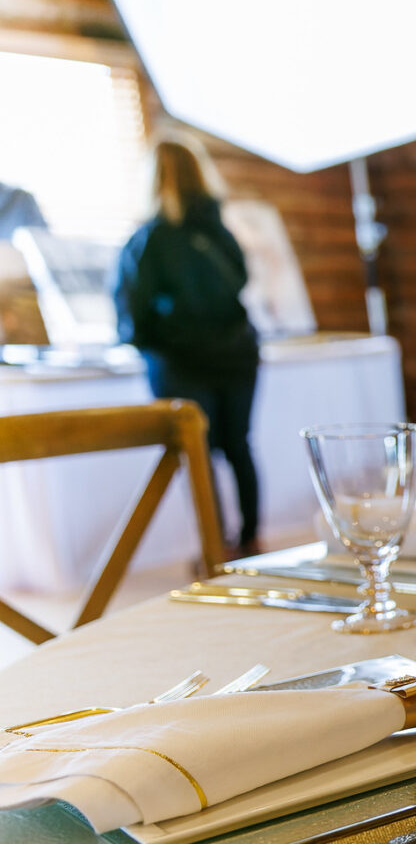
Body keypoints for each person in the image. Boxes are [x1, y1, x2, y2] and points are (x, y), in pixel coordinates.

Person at [113, 140, 261, 556]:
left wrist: (152, 341)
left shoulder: (148, 239)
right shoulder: (219, 231)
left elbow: (131, 312)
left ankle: (215, 549)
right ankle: (251, 541)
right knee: (239, 446)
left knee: (197, 452)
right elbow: (241, 281)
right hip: (236, 352)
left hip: (180, 362)